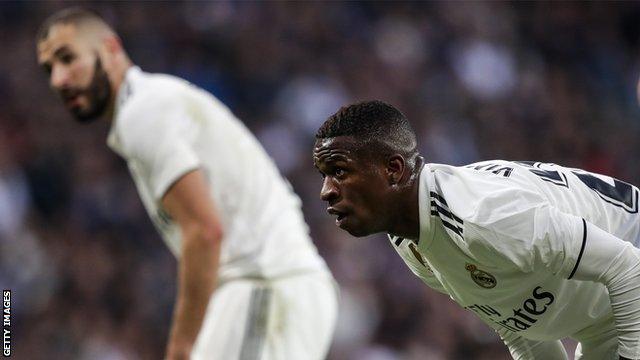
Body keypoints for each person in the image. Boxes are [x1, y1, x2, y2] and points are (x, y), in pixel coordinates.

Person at [36, 7, 337, 360]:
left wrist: (181, 346)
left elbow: (205, 231)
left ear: (110, 47)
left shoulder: (142, 113)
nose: (59, 79)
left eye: (68, 58)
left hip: (263, 287)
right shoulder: (157, 103)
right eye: (49, 70)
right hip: (277, 290)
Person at [313, 100, 640, 360]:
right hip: (606, 322)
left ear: (394, 170)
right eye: (324, 174)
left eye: (340, 171)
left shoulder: (482, 218)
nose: (326, 190)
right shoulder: (409, 238)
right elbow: (518, 327)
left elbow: (628, 268)